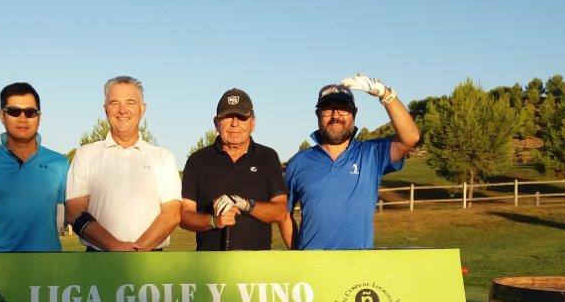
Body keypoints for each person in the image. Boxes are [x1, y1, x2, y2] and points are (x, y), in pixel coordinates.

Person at [281, 74, 420, 250]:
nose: (335, 115)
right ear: (318, 115)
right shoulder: (299, 162)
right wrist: (297, 255)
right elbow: (283, 213)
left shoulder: (371, 154)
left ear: (354, 114)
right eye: (327, 109)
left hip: (358, 267)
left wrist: (386, 95)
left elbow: (411, 138)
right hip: (312, 268)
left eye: (343, 109)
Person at [66, 76, 181, 251]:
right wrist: (116, 247)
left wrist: (137, 250)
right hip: (98, 261)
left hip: (150, 261)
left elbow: (171, 214)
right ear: (105, 109)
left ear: (143, 109)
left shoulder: (162, 157)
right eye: (114, 103)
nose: (122, 110)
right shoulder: (85, 155)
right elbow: (75, 213)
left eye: (130, 103)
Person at [0, 82, 70, 252]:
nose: (22, 118)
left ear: (39, 117)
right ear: (1, 115)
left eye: (30, 112)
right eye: (14, 111)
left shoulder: (59, 163)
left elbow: (60, 218)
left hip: (47, 263)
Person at [180, 88, 287, 250]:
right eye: (227, 117)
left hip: (258, 267)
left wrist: (245, 204)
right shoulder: (197, 160)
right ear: (216, 123)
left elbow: (280, 211)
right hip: (209, 268)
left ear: (253, 123)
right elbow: (184, 216)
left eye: (242, 117)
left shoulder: (268, 157)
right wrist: (213, 221)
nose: (235, 123)